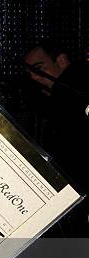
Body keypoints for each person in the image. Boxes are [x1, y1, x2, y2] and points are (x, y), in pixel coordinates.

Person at [24, 42, 89, 236]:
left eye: (39, 69)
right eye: (30, 75)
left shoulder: (75, 91)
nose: (34, 78)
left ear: (61, 60)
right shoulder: (53, 101)